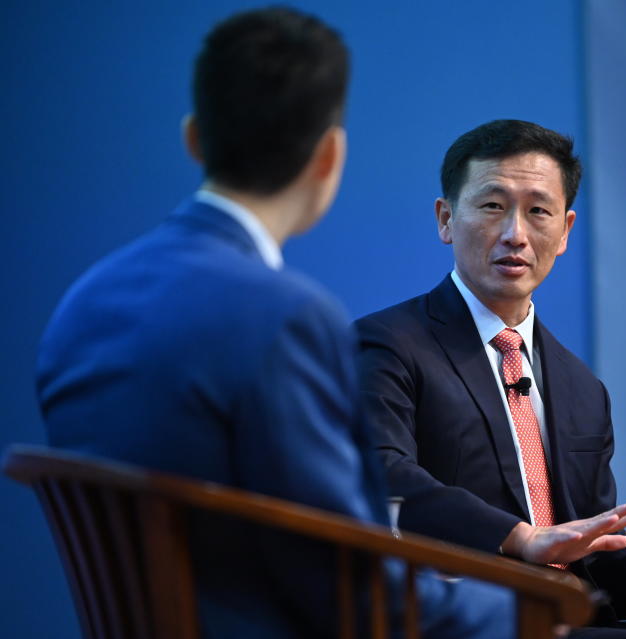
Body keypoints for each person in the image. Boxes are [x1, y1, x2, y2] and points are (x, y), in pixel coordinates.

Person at [36, 10, 516, 638]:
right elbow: (350, 588)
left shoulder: (83, 301)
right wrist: (519, 608)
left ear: (193, 139)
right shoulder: (285, 316)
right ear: (329, 154)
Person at [356, 119, 626, 638]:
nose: (515, 234)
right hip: (465, 614)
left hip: (570, 615)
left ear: (566, 231)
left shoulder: (579, 386)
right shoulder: (389, 344)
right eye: (492, 205)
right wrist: (520, 537)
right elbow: (381, 474)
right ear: (446, 219)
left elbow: (591, 562)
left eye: (538, 211)